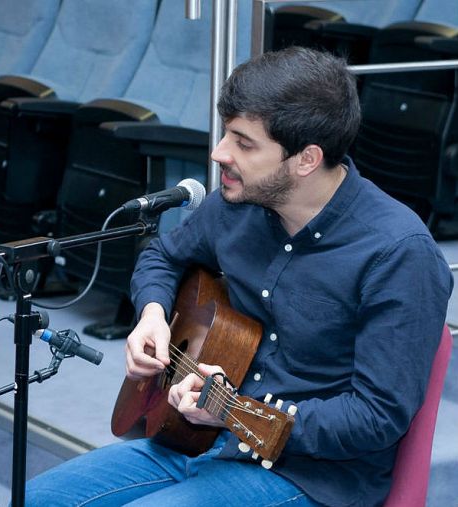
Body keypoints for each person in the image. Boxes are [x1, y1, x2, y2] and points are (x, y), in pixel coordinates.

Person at [24, 47, 453, 507]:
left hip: (306, 477)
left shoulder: (397, 253)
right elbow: (163, 257)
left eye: (244, 143)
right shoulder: (235, 206)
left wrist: (235, 413)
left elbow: (375, 418)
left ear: (306, 158)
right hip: (196, 441)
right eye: (226, 133)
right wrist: (151, 314)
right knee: (32, 498)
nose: (218, 153)